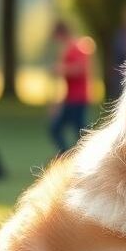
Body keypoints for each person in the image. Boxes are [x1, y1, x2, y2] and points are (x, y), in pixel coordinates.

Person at [49, 21, 91, 154]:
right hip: (70, 98)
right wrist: (57, 103)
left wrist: (61, 69)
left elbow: (80, 69)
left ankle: (73, 156)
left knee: (80, 133)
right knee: (58, 129)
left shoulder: (76, 47)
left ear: (61, 34)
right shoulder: (67, 49)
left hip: (78, 98)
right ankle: (67, 156)